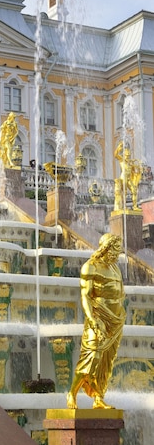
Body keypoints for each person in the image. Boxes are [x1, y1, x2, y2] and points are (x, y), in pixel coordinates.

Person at [66, 233, 126, 409]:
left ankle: (99, 397)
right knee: (91, 357)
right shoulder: (90, 267)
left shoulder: (115, 268)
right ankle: (72, 393)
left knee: (107, 361)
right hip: (98, 317)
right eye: (115, 250)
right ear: (105, 249)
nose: (117, 254)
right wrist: (92, 320)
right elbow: (85, 296)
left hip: (115, 321)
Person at [114, 140, 143, 211]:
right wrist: (119, 147)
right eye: (126, 155)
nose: (128, 157)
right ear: (124, 155)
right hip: (123, 177)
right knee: (124, 192)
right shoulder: (122, 160)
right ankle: (124, 206)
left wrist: (139, 169)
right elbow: (116, 155)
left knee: (134, 190)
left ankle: (135, 206)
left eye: (129, 155)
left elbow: (135, 170)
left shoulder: (130, 162)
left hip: (129, 178)